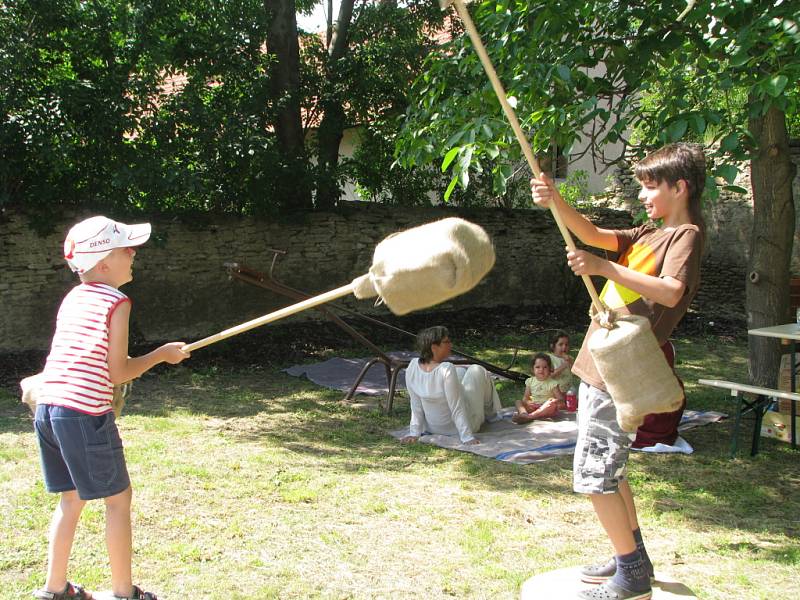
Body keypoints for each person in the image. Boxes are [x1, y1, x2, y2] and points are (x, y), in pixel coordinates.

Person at [531, 143, 705, 600]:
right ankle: (633, 554)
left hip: (622, 372)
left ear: (679, 187)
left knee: (595, 475)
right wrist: (554, 198)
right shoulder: (648, 232)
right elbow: (589, 231)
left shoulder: (684, 235)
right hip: (596, 365)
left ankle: (630, 575)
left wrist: (604, 267)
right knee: (613, 469)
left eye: (651, 187)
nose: (644, 195)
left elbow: (670, 292)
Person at [33, 216, 190, 600]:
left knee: (70, 498)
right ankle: (124, 593)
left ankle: (55, 589)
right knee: (118, 502)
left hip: (48, 409)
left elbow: (87, 359)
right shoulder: (116, 300)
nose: (133, 253)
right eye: (125, 249)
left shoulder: (74, 297)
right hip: (84, 415)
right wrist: (161, 355)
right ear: (103, 263)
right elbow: (118, 371)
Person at [400, 326, 502, 445]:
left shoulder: (412, 366)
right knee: (477, 370)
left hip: (431, 428)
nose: (451, 345)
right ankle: (492, 415)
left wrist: (414, 433)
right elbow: (456, 406)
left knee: (461, 372)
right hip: (457, 429)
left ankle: (490, 413)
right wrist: (467, 437)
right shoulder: (446, 368)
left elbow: (416, 404)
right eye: (446, 342)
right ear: (434, 347)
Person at [512, 352, 566, 423]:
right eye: (538, 367)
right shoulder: (530, 381)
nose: (541, 370)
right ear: (532, 369)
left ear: (550, 368)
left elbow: (561, 400)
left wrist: (553, 401)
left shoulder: (552, 383)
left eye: (545, 367)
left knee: (552, 403)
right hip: (534, 407)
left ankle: (529, 417)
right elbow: (525, 397)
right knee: (518, 402)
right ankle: (524, 414)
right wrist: (528, 402)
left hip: (546, 409)